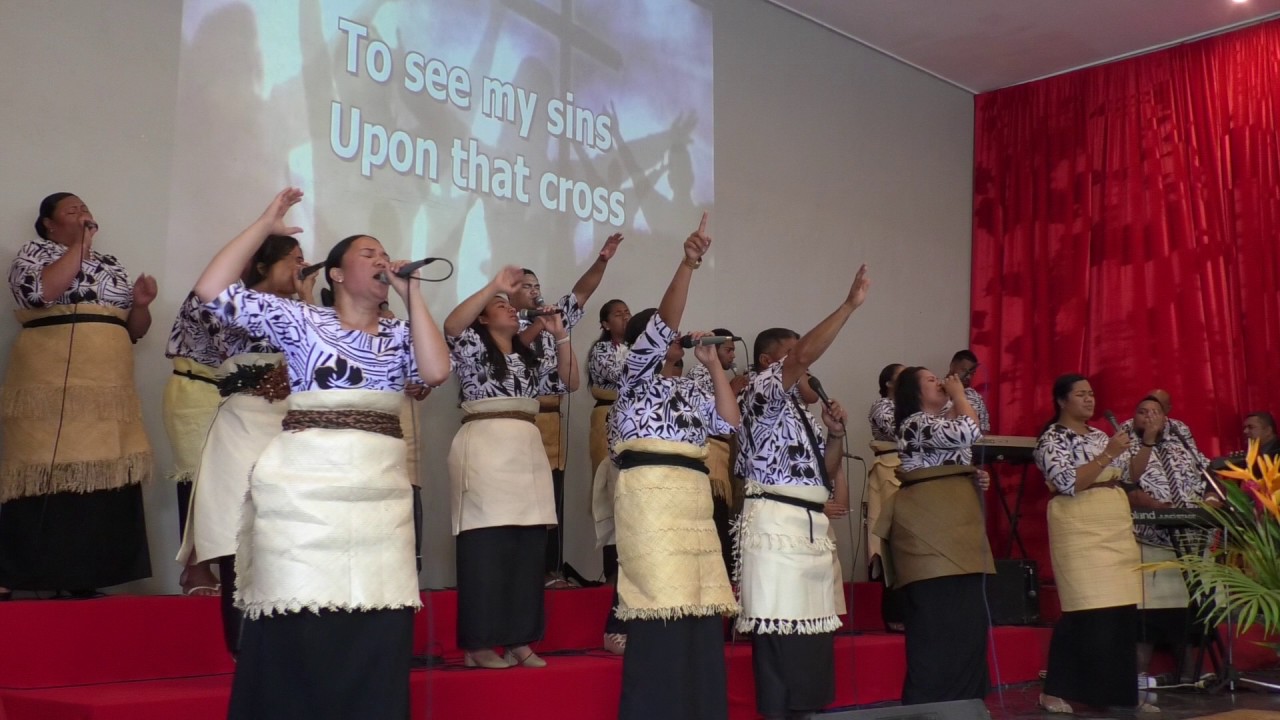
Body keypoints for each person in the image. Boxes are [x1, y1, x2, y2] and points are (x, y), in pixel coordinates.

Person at [194, 188, 451, 718]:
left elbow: (435, 371)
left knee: (377, 609)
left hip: (379, 495)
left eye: (386, 254)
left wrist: (413, 295)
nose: (382, 261)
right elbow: (211, 289)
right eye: (368, 253)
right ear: (335, 273)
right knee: (299, 608)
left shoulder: (401, 332)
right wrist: (264, 223)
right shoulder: (302, 319)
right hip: (305, 491)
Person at [609, 213, 739, 720]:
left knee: (700, 598)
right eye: (669, 336)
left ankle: (699, 705)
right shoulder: (635, 377)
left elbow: (727, 423)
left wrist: (713, 367)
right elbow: (664, 320)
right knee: (660, 595)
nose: (678, 339)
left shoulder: (691, 388)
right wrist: (688, 265)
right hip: (649, 494)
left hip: (692, 497)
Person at [0, 192, 156, 600]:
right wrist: (79, 247)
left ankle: (84, 574)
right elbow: (41, 294)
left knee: (100, 470)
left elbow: (135, 330)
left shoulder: (110, 263)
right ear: (49, 225)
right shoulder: (34, 253)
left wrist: (141, 305)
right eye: (72, 210)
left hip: (107, 388)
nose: (83, 213)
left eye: (85, 208)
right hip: (50, 384)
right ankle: (18, 574)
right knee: (44, 468)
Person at [735, 266, 869, 720]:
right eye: (796, 360)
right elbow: (803, 355)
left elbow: (824, 474)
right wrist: (848, 306)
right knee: (782, 635)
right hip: (776, 526)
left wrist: (835, 436)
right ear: (770, 361)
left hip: (809, 526)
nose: (807, 368)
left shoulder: (800, 414)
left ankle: (805, 711)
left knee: (812, 636)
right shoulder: (761, 392)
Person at [175, 234, 314, 654]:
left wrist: (307, 302)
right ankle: (244, 649)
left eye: (304, 259)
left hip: (293, 427)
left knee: (295, 532)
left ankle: (294, 646)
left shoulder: (306, 311)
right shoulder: (237, 305)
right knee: (240, 530)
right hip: (243, 424)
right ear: (262, 265)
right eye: (293, 259)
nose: (302, 266)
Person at [444, 265, 579, 670]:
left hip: (525, 449)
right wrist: (495, 287)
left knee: (526, 549)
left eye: (509, 305)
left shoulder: (528, 355)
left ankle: (520, 639)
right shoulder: (472, 347)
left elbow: (570, 382)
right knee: (486, 548)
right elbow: (452, 326)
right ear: (484, 319)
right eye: (499, 307)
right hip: (485, 447)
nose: (510, 310)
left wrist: (560, 336)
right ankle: (479, 643)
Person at [510, 234, 624, 584]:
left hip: (552, 419)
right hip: (520, 419)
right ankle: (521, 571)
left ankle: (550, 568)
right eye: (527, 286)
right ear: (510, 293)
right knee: (520, 498)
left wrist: (602, 260)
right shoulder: (504, 321)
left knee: (552, 497)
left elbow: (582, 292)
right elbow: (513, 350)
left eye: (537, 286)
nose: (535, 291)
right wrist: (538, 323)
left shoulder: (554, 319)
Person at [876, 366, 992, 706]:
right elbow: (970, 430)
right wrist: (958, 394)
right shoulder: (914, 423)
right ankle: (928, 707)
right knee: (936, 624)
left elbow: (958, 443)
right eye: (930, 380)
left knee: (967, 623)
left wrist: (970, 476)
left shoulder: (940, 421)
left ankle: (966, 704)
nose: (940, 382)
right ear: (914, 393)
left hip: (958, 527)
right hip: (928, 531)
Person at [1034, 374, 1150, 714]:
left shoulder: (1100, 435)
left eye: (1091, 394)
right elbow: (1067, 482)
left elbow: (1130, 476)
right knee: (1084, 610)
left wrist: (1146, 442)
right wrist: (1107, 454)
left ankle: (1115, 695)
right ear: (1061, 400)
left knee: (1120, 611)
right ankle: (1053, 691)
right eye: (1081, 394)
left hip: (1113, 519)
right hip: (1079, 523)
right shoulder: (1052, 438)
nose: (1089, 400)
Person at [1122, 395, 1211, 686]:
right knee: (1148, 613)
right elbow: (1125, 483)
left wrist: (1212, 498)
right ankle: (1137, 678)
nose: (1149, 416)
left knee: (1189, 607)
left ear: (1166, 417)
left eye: (1156, 412)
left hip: (1192, 536)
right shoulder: (1125, 442)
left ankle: (1190, 675)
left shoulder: (1180, 442)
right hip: (1149, 539)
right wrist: (1156, 507)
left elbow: (1207, 472)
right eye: (1143, 411)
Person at [687, 327, 744, 576]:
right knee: (714, 517)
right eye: (728, 350)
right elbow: (708, 415)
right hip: (708, 453)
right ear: (714, 348)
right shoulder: (700, 372)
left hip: (724, 452)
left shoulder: (718, 374)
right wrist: (733, 389)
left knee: (723, 517)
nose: (733, 356)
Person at [866, 362, 905, 631]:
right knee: (890, 542)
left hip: (909, 473)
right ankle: (894, 615)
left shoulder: (913, 407)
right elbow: (900, 432)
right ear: (888, 383)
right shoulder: (882, 406)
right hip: (889, 471)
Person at [949, 350, 990, 432]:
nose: (968, 377)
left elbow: (984, 429)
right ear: (952, 366)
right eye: (964, 370)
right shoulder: (935, 392)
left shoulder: (976, 397)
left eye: (972, 373)